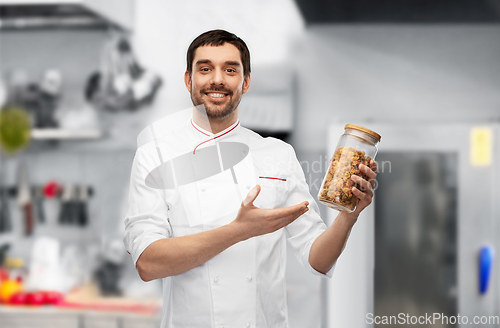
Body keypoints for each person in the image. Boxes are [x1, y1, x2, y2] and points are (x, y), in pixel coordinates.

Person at [123, 29, 378, 328]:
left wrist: (350, 215)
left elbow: (317, 258)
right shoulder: (155, 157)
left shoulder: (278, 155)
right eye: (205, 69)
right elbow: (148, 263)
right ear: (188, 80)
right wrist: (238, 231)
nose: (217, 79)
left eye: (230, 70)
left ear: (245, 82)